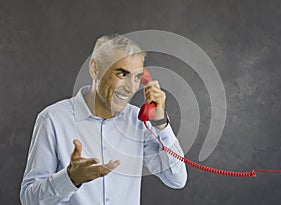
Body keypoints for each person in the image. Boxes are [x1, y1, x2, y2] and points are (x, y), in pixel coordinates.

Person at [20, 34, 187, 205]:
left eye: (137, 77)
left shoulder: (138, 122)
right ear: (94, 69)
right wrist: (70, 179)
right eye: (122, 74)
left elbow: (176, 179)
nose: (131, 88)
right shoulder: (52, 119)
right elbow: (29, 199)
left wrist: (160, 123)